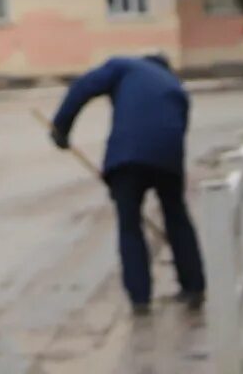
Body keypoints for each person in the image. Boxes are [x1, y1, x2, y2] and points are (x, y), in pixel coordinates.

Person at [53, 52, 205, 313]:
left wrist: (61, 128)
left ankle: (140, 298)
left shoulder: (124, 67)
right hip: (168, 157)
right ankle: (194, 287)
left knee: (130, 224)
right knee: (176, 215)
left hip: (126, 158)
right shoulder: (176, 87)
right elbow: (178, 128)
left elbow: (83, 87)